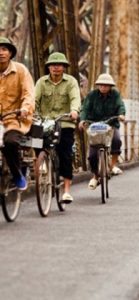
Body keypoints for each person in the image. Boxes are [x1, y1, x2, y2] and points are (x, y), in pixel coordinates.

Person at [35, 52, 81, 203]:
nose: (56, 68)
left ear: (64, 67)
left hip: (64, 122)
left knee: (65, 152)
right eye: (53, 65)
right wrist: (32, 113)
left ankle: (66, 190)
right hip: (43, 121)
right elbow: (34, 100)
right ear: (48, 67)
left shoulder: (71, 82)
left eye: (59, 65)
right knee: (35, 140)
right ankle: (42, 164)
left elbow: (75, 98)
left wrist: (74, 111)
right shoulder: (41, 82)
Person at [79, 73, 126, 190]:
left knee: (116, 140)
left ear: (111, 86)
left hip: (110, 124)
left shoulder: (115, 94)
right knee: (92, 156)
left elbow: (120, 105)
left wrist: (121, 115)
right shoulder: (91, 95)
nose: (103, 87)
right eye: (101, 85)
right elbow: (85, 108)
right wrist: (83, 120)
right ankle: (95, 176)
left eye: (106, 85)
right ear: (98, 85)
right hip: (94, 125)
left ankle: (113, 165)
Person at [0, 37, 35, 190]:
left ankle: (17, 174)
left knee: (10, 142)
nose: (0, 53)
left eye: (4, 49)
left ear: (10, 53)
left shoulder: (20, 70)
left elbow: (29, 93)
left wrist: (25, 108)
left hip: (14, 118)